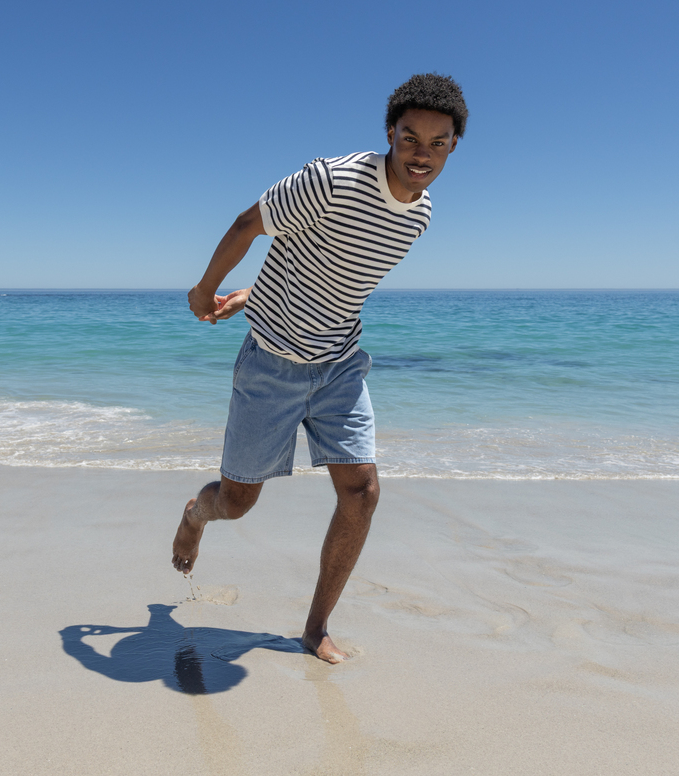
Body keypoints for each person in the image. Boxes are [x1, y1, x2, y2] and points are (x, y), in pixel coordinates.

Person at [172, 73, 468, 663]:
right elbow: (248, 224)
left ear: (453, 147)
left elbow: (338, 272)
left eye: (437, 144)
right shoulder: (331, 180)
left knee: (362, 492)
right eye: (411, 138)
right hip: (270, 365)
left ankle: (314, 628)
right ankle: (196, 515)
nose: (422, 155)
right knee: (237, 500)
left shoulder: (421, 214)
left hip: (340, 366)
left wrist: (254, 292)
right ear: (390, 132)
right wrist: (206, 289)